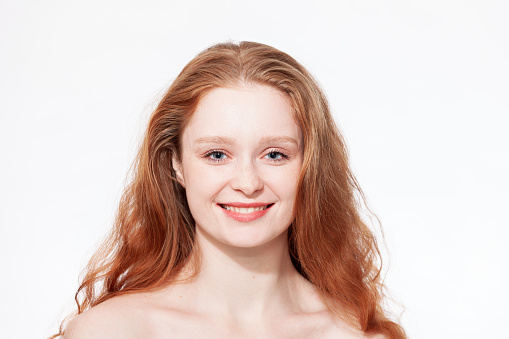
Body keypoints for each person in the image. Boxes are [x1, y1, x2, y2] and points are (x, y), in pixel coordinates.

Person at [53, 41, 405, 338]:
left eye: (275, 154)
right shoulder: (111, 332)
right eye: (217, 154)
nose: (248, 183)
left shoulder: (357, 334)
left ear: (310, 166)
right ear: (175, 163)